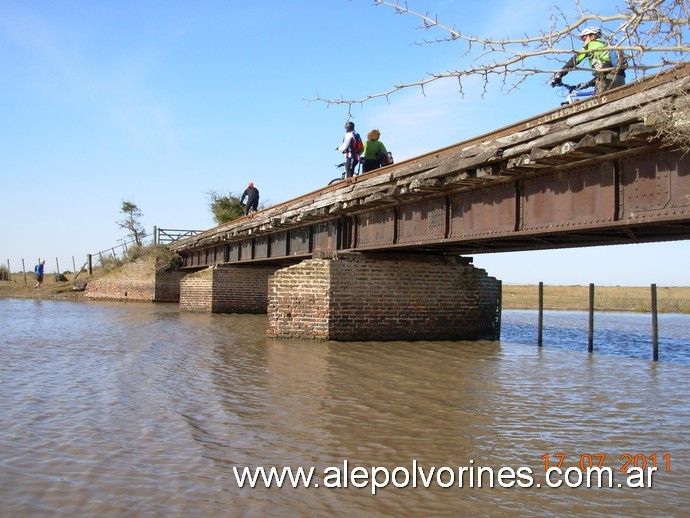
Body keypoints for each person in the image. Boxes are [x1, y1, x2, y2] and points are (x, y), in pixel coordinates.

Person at [550, 26, 625, 95]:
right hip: (620, 78)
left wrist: (559, 76)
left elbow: (573, 61)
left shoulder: (590, 45)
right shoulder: (605, 44)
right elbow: (606, 67)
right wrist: (588, 84)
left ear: (592, 36)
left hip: (607, 80)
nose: (583, 41)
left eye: (584, 38)